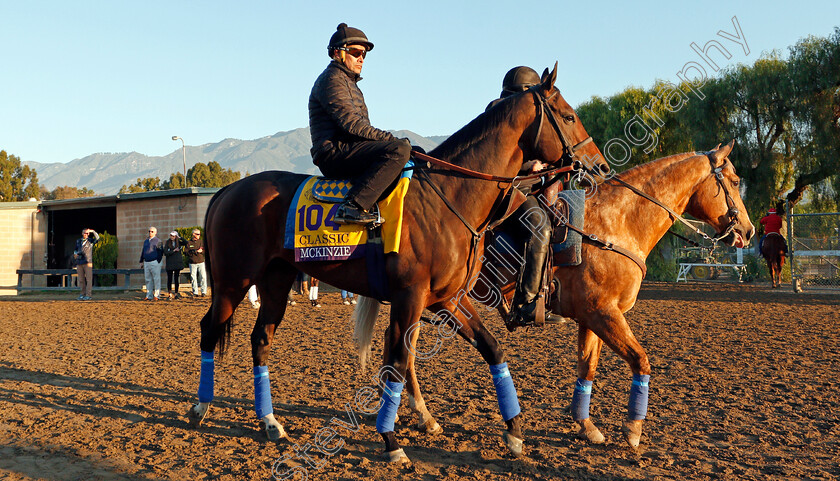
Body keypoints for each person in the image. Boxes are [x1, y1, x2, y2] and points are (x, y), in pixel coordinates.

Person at [308, 23, 412, 225]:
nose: (361, 58)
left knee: (410, 152)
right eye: (355, 52)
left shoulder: (349, 82)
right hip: (333, 154)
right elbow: (352, 125)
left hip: (348, 148)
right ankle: (353, 206)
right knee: (398, 150)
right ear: (338, 53)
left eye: (364, 54)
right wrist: (392, 140)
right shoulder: (332, 80)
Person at [488, 66, 555, 331]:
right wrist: (530, 167)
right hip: (511, 191)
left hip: (527, 188)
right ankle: (526, 302)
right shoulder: (499, 115)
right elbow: (497, 160)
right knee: (540, 226)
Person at [73, 228, 99, 300]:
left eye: (87, 233)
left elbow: (98, 238)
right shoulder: (78, 241)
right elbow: (75, 249)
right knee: (81, 280)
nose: (86, 234)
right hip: (79, 262)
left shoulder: (90, 241)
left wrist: (93, 231)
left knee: (89, 279)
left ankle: (88, 295)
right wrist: (75, 254)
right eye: (85, 233)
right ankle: (82, 294)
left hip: (88, 262)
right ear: (82, 233)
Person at [139, 226, 163, 300]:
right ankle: (149, 295)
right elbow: (143, 251)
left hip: (154, 262)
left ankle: (156, 295)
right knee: (148, 279)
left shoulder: (158, 241)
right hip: (146, 262)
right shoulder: (146, 241)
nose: (150, 232)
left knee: (156, 279)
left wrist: (158, 261)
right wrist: (141, 261)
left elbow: (161, 252)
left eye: (152, 231)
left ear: (155, 233)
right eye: (149, 231)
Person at [163, 231, 187, 300]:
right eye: (171, 235)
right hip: (170, 263)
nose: (172, 237)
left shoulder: (179, 242)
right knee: (169, 279)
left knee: (176, 279)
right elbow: (165, 252)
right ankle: (170, 294)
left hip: (177, 263)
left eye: (173, 236)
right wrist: (173, 251)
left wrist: (180, 237)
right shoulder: (168, 242)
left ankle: (176, 294)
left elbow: (186, 242)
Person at [185, 229, 208, 297]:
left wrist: (201, 251)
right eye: (197, 234)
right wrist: (195, 251)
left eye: (199, 234)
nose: (199, 235)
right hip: (192, 263)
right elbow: (186, 252)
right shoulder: (189, 243)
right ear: (193, 234)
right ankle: (195, 292)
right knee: (193, 278)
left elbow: (205, 251)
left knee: (203, 277)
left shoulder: (201, 242)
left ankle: (203, 291)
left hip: (201, 262)